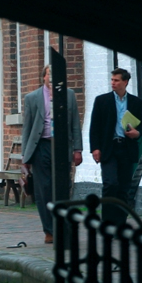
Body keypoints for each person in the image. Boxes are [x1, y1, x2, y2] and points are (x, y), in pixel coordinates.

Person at [21, 65, 83, 244]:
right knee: (44, 190)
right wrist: (25, 157)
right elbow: (27, 128)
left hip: (62, 146)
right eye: (49, 74)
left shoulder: (69, 95)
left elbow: (75, 124)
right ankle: (49, 230)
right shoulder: (32, 98)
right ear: (44, 78)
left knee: (63, 187)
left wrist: (77, 149)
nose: (52, 77)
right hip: (41, 146)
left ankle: (62, 227)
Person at [89, 68, 142, 226]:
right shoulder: (102, 101)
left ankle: (120, 223)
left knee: (124, 188)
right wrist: (95, 148)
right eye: (112, 80)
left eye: (116, 80)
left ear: (125, 82)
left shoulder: (135, 102)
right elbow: (95, 127)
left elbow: (140, 125)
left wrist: (137, 133)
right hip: (109, 148)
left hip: (126, 148)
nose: (113, 83)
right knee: (110, 183)